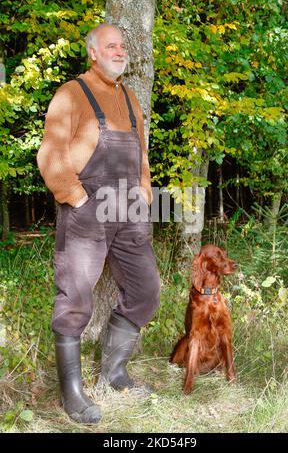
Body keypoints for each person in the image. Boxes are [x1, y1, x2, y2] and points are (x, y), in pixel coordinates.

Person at [37, 23, 161, 424]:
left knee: (146, 290)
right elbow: (51, 154)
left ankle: (114, 372)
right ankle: (71, 393)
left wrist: (144, 191)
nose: (120, 51)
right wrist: (75, 196)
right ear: (94, 53)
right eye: (111, 46)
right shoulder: (72, 94)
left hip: (130, 210)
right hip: (87, 209)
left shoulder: (129, 97)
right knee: (75, 296)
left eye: (123, 46)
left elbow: (140, 152)